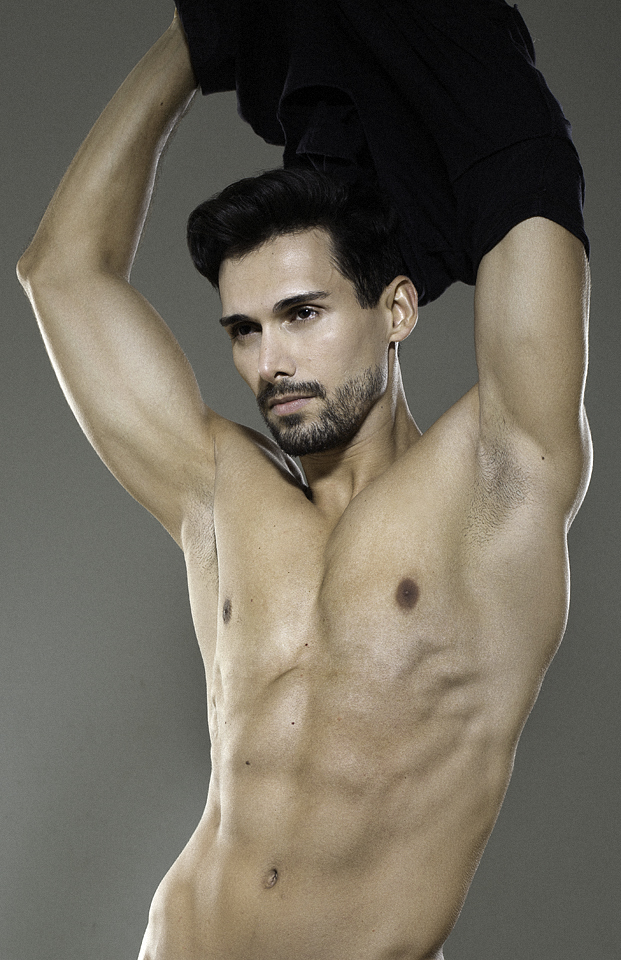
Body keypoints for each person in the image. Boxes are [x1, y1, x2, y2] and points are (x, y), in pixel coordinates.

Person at [16, 5, 591, 960]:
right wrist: (202, 34)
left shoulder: (500, 482)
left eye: (301, 313)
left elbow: (527, 185)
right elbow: (59, 273)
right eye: (244, 329)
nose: (270, 360)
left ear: (395, 309)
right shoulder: (219, 493)